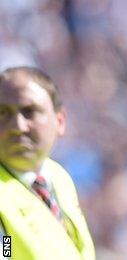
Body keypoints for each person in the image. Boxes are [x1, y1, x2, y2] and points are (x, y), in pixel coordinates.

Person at [0, 67, 95, 259]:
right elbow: (5, 250)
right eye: (3, 113)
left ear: (59, 121)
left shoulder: (57, 176)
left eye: (29, 112)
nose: (18, 126)